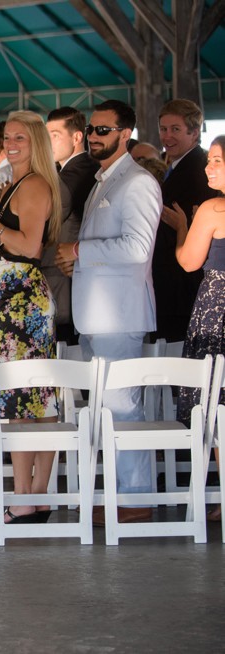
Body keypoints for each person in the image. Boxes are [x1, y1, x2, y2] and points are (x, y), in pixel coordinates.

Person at [55, 99, 161, 525]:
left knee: (123, 409)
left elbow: (138, 250)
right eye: (93, 130)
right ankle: (118, 493)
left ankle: (136, 497)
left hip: (120, 314)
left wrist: (79, 250)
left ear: (125, 134)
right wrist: (75, 258)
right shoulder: (103, 179)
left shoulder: (137, 182)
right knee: (105, 410)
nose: (95, 136)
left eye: (104, 130)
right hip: (97, 314)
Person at [0, 111, 62, 523]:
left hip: (26, 301)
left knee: (28, 398)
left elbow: (30, 247)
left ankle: (29, 494)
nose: (12, 143)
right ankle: (33, 496)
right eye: (7, 136)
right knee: (27, 397)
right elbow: (3, 250)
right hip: (11, 297)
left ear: (36, 141)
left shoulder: (35, 185)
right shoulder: (13, 184)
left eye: (21, 136)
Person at [161, 134, 225, 521]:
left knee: (218, 405)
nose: (208, 167)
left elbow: (187, 261)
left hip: (217, 309)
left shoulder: (214, 210)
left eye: (217, 160)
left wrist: (183, 226)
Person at [153, 99, 219, 342]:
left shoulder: (196, 171)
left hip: (181, 284)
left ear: (194, 133)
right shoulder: (178, 165)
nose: (167, 136)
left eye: (176, 129)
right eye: (163, 129)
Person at [44, 106, 99, 344]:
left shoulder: (75, 174)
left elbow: (46, 221)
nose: (48, 143)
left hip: (68, 278)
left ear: (77, 137)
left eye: (54, 135)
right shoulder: (71, 171)